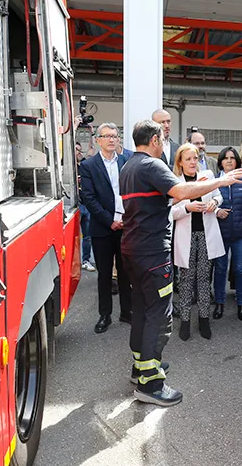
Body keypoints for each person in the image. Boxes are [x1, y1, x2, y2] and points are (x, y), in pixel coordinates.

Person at [120, 119, 242, 407]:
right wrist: (220, 181)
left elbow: (168, 193)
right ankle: (150, 384)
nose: (164, 140)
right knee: (159, 315)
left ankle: (141, 367)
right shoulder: (151, 165)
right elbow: (180, 192)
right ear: (154, 140)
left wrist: (202, 183)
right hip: (152, 253)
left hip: (134, 250)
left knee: (141, 309)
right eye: (162, 137)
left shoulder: (129, 166)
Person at [79, 123, 132, 334]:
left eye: (115, 136)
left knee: (126, 271)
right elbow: (89, 199)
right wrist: (110, 220)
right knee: (104, 275)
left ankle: (127, 312)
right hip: (103, 228)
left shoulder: (126, 162)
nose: (111, 139)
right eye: (106, 136)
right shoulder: (89, 166)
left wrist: (127, 219)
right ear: (98, 140)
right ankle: (105, 314)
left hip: (126, 227)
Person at [171, 144, 224, 341]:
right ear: (180, 162)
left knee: (203, 280)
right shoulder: (175, 182)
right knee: (185, 281)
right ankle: (185, 320)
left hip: (205, 235)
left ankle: (204, 319)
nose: (193, 162)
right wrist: (188, 207)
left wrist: (215, 203)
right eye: (188, 159)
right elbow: (170, 212)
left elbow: (219, 195)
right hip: (186, 237)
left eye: (195, 158)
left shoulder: (208, 176)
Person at [213, 147, 242, 321]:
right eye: (226, 158)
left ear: (237, 161)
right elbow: (206, 203)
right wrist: (217, 210)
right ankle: (219, 304)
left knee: (240, 269)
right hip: (220, 234)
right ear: (221, 162)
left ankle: (241, 305)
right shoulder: (215, 180)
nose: (229, 161)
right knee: (220, 269)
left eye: (233, 158)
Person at [76, 143, 96, 272]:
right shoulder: (66, 167)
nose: (79, 152)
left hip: (85, 204)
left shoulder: (84, 165)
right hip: (75, 204)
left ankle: (85, 260)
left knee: (87, 235)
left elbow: (91, 154)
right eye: (76, 150)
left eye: (79, 150)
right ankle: (74, 262)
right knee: (74, 236)